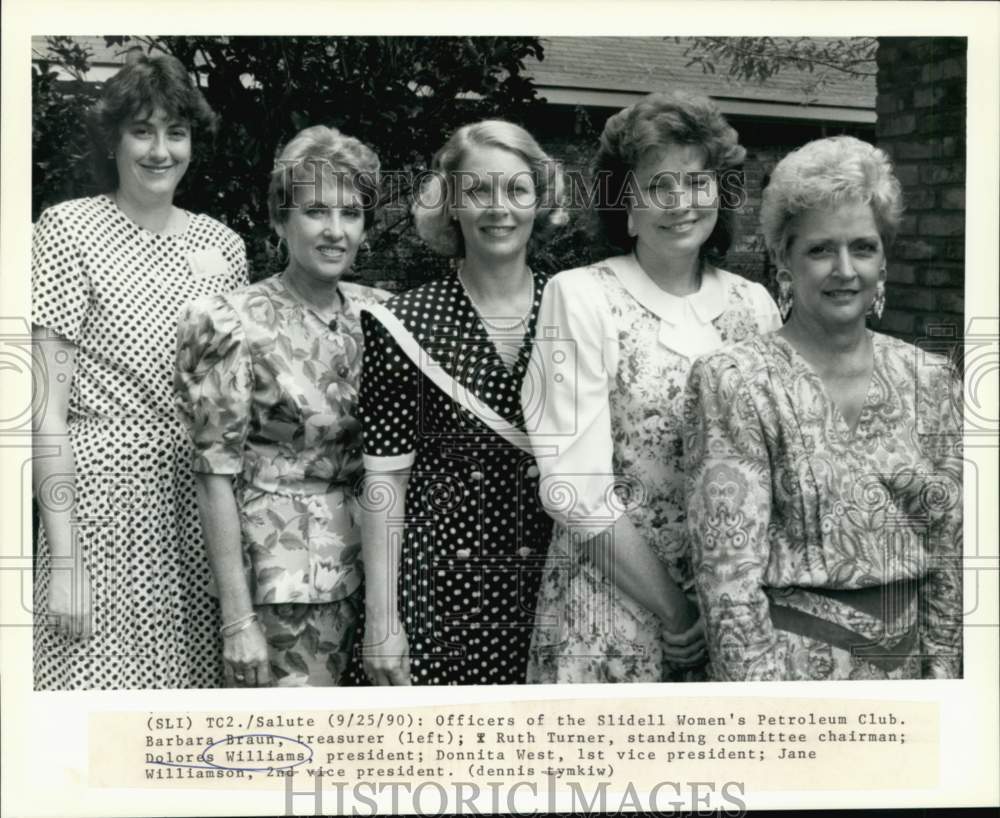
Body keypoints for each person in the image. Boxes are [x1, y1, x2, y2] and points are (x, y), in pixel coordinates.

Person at [523, 91, 781, 684]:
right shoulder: (580, 297)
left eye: (697, 181)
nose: (681, 202)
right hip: (612, 609)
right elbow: (574, 488)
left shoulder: (756, 307)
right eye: (658, 185)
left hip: (733, 616)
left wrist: (728, 607)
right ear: (627, 207)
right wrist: (677, 610)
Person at [684, 135, 963, 681]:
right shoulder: (736, 380)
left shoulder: (930, 379)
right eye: (819, 249)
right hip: (790, 673)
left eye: (863, 247)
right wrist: (769, 722)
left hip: (909, 678)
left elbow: (949, 555)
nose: (844, 269)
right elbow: (727, 585)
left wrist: (944, 685)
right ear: (783, 260)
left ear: (883, 259)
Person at [31, 54, 248, 689]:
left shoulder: (224, 246)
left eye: (175, 132)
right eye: (142, 131)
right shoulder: (69, 230)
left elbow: (227, 412)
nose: (160, 150)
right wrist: (65, 558)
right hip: (97, 504)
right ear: (115, 139)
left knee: (181, 716)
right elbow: (45, 410)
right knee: (89, 703)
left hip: (196, 505)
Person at [174, 126, 388, 687]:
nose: (335, 231)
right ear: (279, 220)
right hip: (283, 589)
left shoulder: (382, 315)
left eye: (351, 213)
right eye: (316, 211)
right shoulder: (232, 323)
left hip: (382, 577)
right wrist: (237, 619)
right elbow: (212, 475)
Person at [357, 120, 565, 685]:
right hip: (438, 594)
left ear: (539, 200)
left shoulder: (579, 306)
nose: (499, 208)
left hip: (553, 589)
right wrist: (382, 621)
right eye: (477, 191)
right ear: (450, 205)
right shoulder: (401, 323)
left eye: (517, 190)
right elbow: (385, 485)